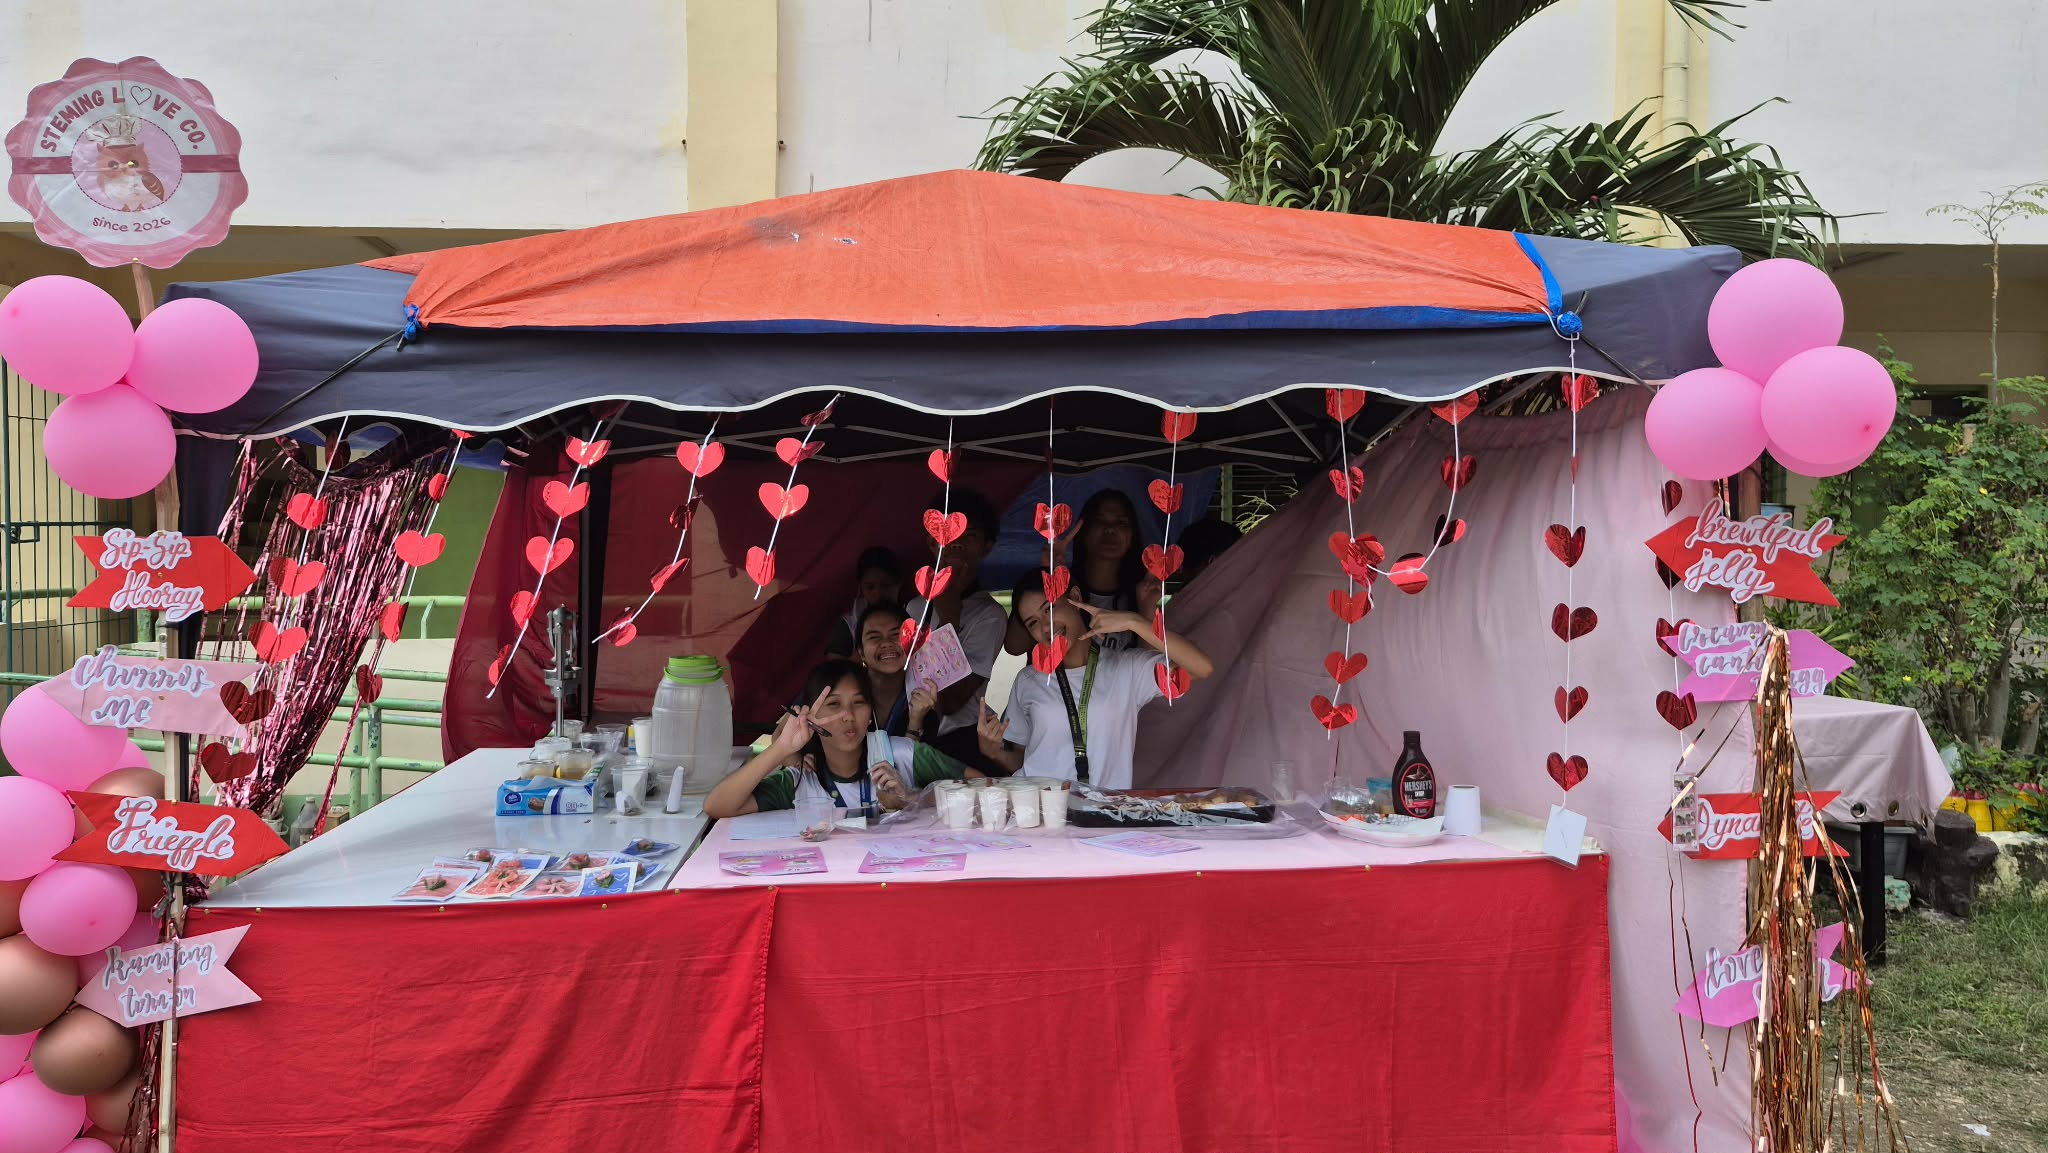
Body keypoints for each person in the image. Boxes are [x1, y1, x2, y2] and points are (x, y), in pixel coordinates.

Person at [978, 572, 1215, 788]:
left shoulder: (1127, 668)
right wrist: (993, 752)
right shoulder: (1028, 680)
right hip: (1042, 813)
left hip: (1103, 814)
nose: (1046, 626)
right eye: (1032, 623)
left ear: (1075, 596)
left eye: (1049, 609)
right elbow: (1022, 758)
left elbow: (1201, 668)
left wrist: (1136, 622)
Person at [704, 660, 969, 819]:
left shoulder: (902, 754)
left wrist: (911, 798)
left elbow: (987, 787)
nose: (847, 716)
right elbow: (717, 805)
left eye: (858, 703)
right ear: (811, 714)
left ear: (870, 714)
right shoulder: (801, 781)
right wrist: (782, 747)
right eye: (833, 705)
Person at [905, 489, 1008, 771]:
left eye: (969, 535)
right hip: (911, 733)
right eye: (948, 534)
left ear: (987, 547)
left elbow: (950, 702)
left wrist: (950, 615)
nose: (957, 545)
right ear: (931, 541)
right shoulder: (913, 608)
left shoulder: (989, 615)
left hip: (962, 743)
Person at [1005, 486, 1149, 655]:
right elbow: (1014, 647)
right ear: (1083, 532)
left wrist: (1147, 608)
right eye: (1099, 521)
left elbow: (1152, 666)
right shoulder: (1061, 585)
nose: (1110, 529)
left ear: (1132, 536)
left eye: (1121, 523)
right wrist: (1048, 571)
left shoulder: (1141, 595)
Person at [851, 601, 939, 738]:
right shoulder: (845, 696)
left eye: (896, 634)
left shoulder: (925, 699)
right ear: (861, 652)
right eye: (874, 637)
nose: (886, 643)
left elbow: (922, 758)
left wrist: (916, 721)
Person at [825, 547, 904, 658]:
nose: (878, 593)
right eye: (870, 587)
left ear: (899, 582)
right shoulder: (850, 624)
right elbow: (832, 670)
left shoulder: (918, 614)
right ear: (861, 587)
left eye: (886, 585)